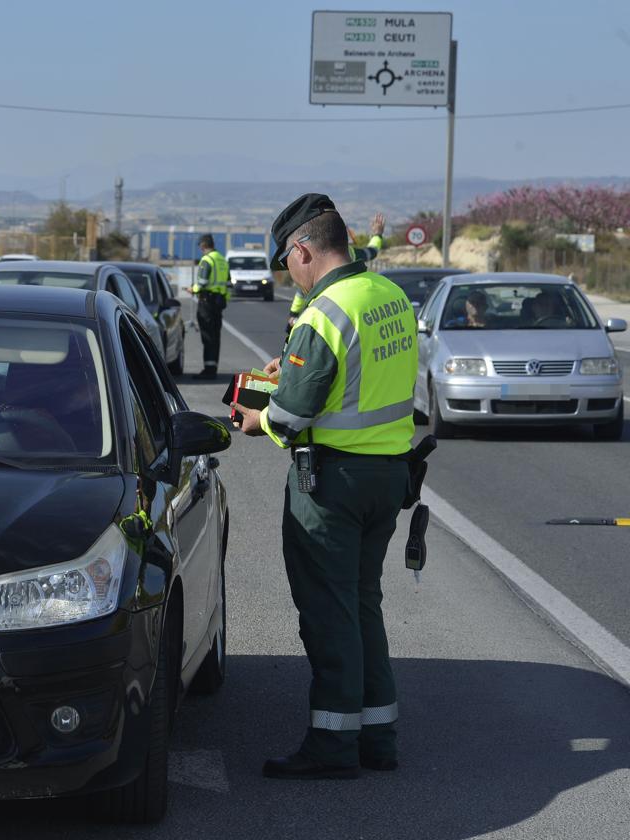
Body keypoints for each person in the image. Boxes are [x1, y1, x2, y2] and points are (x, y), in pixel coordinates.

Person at [232, 193, 417, 781]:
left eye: (287, 259)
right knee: (363, 604)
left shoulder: (325, 314)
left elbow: (289, 416)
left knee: (328, 612)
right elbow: (358, 384)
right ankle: (377, 739)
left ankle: (334, 746)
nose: (288, 271)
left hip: (332, 484)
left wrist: (255, 416)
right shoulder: (390, 296)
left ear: (303, 250)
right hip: (389, 475)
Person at [287, 212, 386, 337]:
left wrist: (293, 314)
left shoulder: (313, 258)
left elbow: (301, 292)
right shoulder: (352, 253)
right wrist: (377, 234)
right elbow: (372, 251)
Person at [190, 233, 231, 380]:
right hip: (219, 303)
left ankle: (208, 370)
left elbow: (201, 282)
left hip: (207, 301)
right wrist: (225, 298)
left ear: (203, 245)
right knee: (215, 336)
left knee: (207, 336)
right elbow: (228, 284)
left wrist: (193, 289)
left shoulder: (207, 260)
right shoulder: (222, 260)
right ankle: (212, 368)